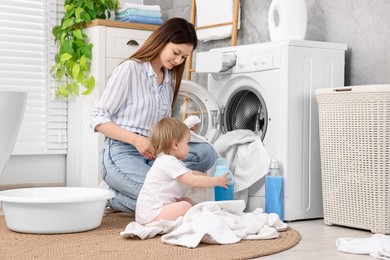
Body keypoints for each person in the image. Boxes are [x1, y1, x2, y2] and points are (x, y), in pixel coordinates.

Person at [89, 17, 217, 213]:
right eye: (176, 53)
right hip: (123, 152)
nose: (178, 61)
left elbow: (160, 127)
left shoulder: (168, 81)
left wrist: (181, 131)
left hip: (156, 154)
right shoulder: (130, 69)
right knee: (160, 199)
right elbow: (98, 118)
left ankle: (140, 188)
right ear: (162, 40)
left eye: (184, 57)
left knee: (206, 153)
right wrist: (137, 141)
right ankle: (110, 195)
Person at [136, 117, 230, 224]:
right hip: (151, 215)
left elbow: (193, 174)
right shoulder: (167, 162)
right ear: (175, 145)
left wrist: (210, 180)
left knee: (186, 201)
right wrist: (217, 181)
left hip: (156, 211)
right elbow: (194, 181)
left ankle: (204, 214)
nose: (189, 147)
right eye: (187, 143)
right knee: (185, 206)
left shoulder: (170, 160)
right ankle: (201, 217)